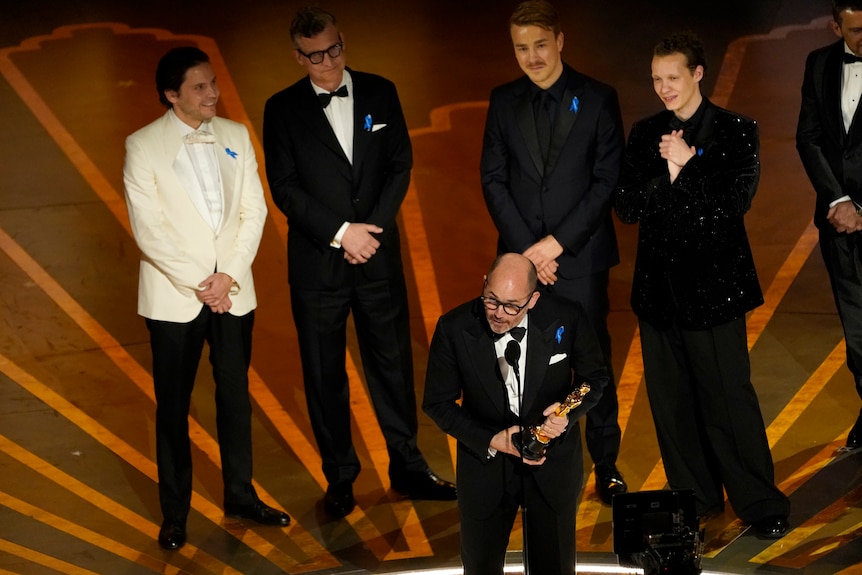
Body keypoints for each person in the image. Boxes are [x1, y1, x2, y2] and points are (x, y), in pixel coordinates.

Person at [262, 6, 456, 518]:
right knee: (324, 374)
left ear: (343, 41)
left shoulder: (380, 90)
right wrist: (341, 233)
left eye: (333, 50)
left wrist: (372, 229)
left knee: (392, 365)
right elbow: (285, 188)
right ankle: (341, 477)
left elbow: (399, 164)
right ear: (297, 57)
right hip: (317, 266)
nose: (326, 64)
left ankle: (408, 466)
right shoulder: (280, 109)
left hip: (376, 256)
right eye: (313, 57)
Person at [613, 32, 791, 538]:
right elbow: (626, 206)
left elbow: (733, 203)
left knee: (728, 402)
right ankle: (696, 499)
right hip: (658, 296)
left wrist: (689, 167)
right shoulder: (647, 133)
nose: (664, 88)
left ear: (697, 74)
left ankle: (759, 502)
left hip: (715, 294)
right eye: (656, 79)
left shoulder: (736, 131)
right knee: (672, 406)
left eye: (673, 77)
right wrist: (665, 176)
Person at [123, 46, 289, 551]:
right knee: (173, 407)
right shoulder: (143, 145)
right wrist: (203, 281)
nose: (213, 93)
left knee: (235, 398)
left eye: (213, 83)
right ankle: (175, 513)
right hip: (177, 298)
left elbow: (253, 213)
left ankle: (240, 494)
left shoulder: (237, 136)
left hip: (233, 294)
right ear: (172, 95)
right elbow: (148, 229)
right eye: (199, 87)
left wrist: (228, 277)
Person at [480, 0, 627, 505]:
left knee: (592, 363)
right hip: (521, 264)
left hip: (579, 258)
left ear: (560, 41)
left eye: (540, 45)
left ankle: (606, 463)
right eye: (521, 48)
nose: (532, 57)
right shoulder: (502, 100)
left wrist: (556, 245)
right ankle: (524, 455)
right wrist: (529, 251)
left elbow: (607, 179)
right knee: (518, 363)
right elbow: (493, 180)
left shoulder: (598, 97)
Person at [423, 253, 607, 575]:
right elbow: (437, 403)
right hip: (486, 468)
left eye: (512, 306)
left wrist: (566, 412)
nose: (498, 313)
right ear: (484, 284)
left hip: (552, 468)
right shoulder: (454, 327)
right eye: (491, 300)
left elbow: (595, 378)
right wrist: (492, 439)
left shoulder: (566, 316)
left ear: (533, 300)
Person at [797, 0, 862, 450]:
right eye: (855, 30)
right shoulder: (818, 63)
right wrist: (838, 200)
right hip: (838, 222)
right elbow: (809, 137)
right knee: (856, 329)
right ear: (835, 26)